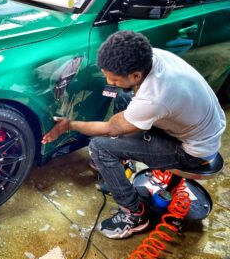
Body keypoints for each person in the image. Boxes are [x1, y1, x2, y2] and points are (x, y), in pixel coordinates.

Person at [41, 30, 226, 239]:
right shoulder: (153, 57)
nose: (109, 82)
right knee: (124, 97)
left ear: (136, 75)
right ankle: (122, 163)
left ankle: (135, 213)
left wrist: (69, 125)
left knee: (100, 148)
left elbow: (111, 127)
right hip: (202, 127)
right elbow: (128, 104)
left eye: (114, 79)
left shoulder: (155, 96)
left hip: (194, 152)